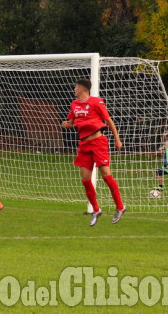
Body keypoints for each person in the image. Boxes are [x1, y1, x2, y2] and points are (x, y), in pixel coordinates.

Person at [62, 78, 126, 226]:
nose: (74, 89)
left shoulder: (97, 102)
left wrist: (117, 139)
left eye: (76, 87)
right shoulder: (74, 104)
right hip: (84, 145)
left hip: (98, 143)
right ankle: (96, 210)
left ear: (83, 89)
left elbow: (109, 121)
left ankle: (120, 207)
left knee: (106, 176)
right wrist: (65, 124)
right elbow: (71, 123)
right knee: (85, 180)